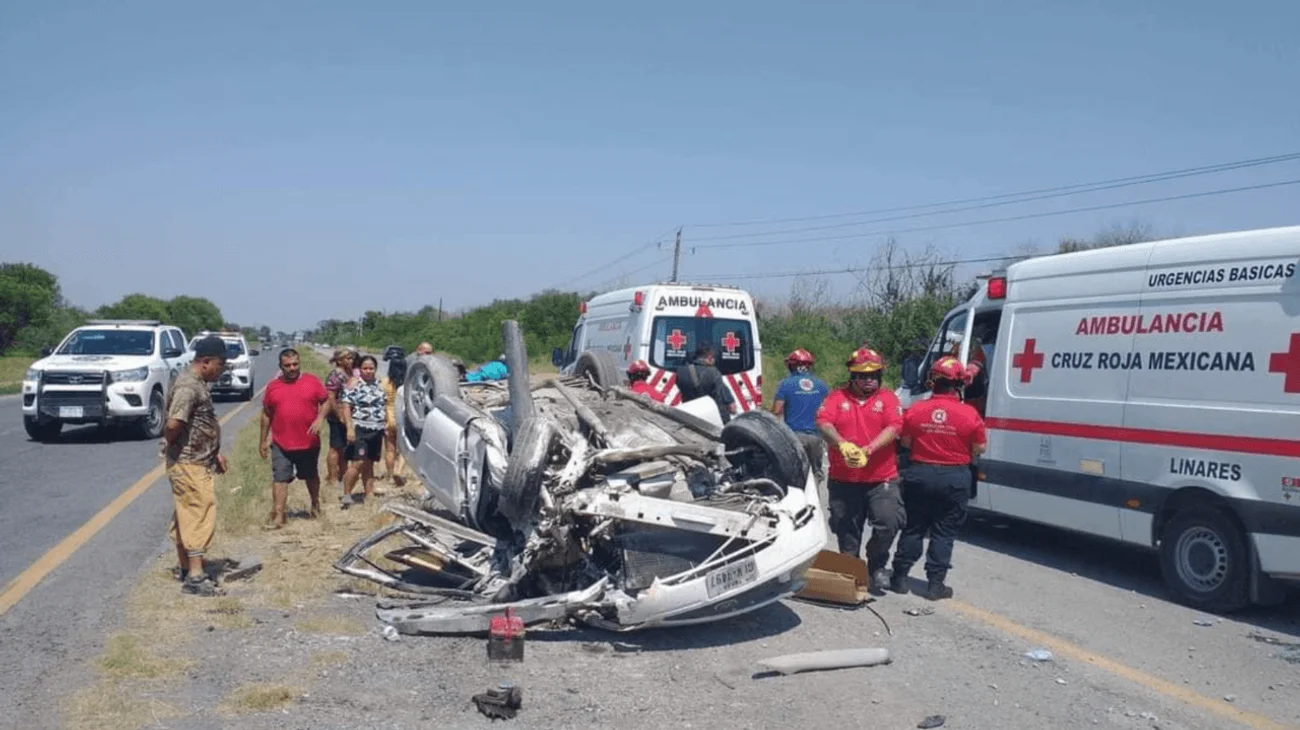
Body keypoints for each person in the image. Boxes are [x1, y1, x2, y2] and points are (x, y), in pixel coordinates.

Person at [889, 356, 987, 601]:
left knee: (913, 528)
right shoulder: (970, 414)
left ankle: (899, 577)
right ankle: (935, 585)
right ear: (959, 384)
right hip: (954, 478)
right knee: (944, 533)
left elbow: (906, 443)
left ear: (932, 380)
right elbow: (979, 448)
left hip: (920, 474)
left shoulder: (915, 411)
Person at [815, 347, 906, 595]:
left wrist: (869, 449)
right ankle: (851, 571)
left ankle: (877, 565)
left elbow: (894, 427)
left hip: (881, 478)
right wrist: (842, 444)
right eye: (863, 375)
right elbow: (823, 423)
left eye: (874, 375)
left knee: (888, 522)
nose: (869, 380)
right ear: (852, 376)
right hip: (844, 479)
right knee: (846, 529)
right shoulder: (836, 398)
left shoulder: (888, 399)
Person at [162, 335, 228, 597]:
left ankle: (186, 567)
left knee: (186, 514)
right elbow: (174, 424)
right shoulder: (189, 386)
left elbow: (197, 425)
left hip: (197, 459)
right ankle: (196, 576)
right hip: (189, 462)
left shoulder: (198, 383)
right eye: (220, 365)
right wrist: (173, 447)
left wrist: (214, 453)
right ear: (205, 361)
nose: (221, 370)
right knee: (199, 512)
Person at [259, 348, 331, 528]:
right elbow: (266, 414)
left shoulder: (312, 381)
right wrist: (263, 440)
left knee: (310, 475)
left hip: (308, 442)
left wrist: (320, 418)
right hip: (281, 442)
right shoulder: (273, 387)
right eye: (287, 365)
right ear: (280, 366)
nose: (292, 368)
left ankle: (315, 505)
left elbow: (326, 400)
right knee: (280, 478)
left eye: (295, 364)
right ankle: (279, 515)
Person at [771, 349, 830, 496]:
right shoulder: (821, 385)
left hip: (794, 436)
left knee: (793, 472)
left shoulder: (785, 384)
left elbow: (776, 411)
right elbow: (829, 411)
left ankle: (797, 502)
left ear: (791, 366)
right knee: (816, 472)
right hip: (816, 437)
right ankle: (814, 502)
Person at [340, 355, 387, 505]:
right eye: (365, 368)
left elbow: (384, 405)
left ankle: (369, 493)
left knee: (369, 462)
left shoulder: (379, 385)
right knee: (358, 462)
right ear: (359, 370)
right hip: (360, 428)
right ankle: (347, 493)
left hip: (377, 428)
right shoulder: (354, 385)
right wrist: (349, 428)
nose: (368, 371)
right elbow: (346, 406)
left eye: (371, 368)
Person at [674, 343, 736, 423]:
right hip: (711, 418)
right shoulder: (714, 373)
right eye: (714, 358)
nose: (714, 361)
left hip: (688, 417)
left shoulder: (681, 372)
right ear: (710, 357)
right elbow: (724, 401)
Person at [323, 349, 356, 489]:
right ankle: (332, 478)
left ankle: (343, 475)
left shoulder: (348, 373)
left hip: (347, 415)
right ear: (339, 360)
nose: (350, 361)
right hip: (337, 417)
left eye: (351, 358)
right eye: (347, 358)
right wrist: (339, 415)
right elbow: (331, 397)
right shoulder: (336, 375)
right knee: (335, 448)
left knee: (344, 448)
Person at [381, 353, 408, 485]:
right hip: (403, 418)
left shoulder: (385, 382)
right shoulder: (408, 383)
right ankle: (399, 470)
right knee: (404, 449)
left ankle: (390, 475)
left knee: (389, 449)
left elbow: (382, 402)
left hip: (389, 417)